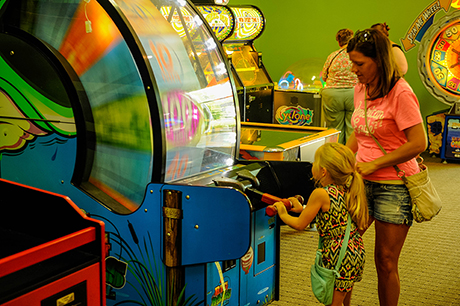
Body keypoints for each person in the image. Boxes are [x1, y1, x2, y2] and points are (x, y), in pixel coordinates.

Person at [346, 29, 427, 306]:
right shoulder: (360, 88)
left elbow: (419, 143)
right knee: (344, 249)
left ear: (378, 61)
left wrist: (375, 164)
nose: (353, 69)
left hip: (395, 186)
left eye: (359, 64)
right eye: (352, 62)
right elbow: (358, 133)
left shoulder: (401, 92)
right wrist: (341, 164)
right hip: (360, 182)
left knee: (386, 260)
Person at [273, 142, 368, 306]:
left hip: (336, 253)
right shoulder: (348, 187)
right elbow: (333, 213)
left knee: (333, 302)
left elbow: (300, 225)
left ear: (323, 171)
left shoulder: (320, 193)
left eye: (315, 162)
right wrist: (302, 208)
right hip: (354, 248)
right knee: (343, 297)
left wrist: (282, 212)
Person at [321, 29, 358, 145]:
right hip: (354, 93)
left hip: (332, 94)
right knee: (353, 128)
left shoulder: (333, 56)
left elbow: (324, 76)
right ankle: (351, 159)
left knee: (334, 130)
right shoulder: (357, 55)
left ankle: (335, 158)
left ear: (339, 42)